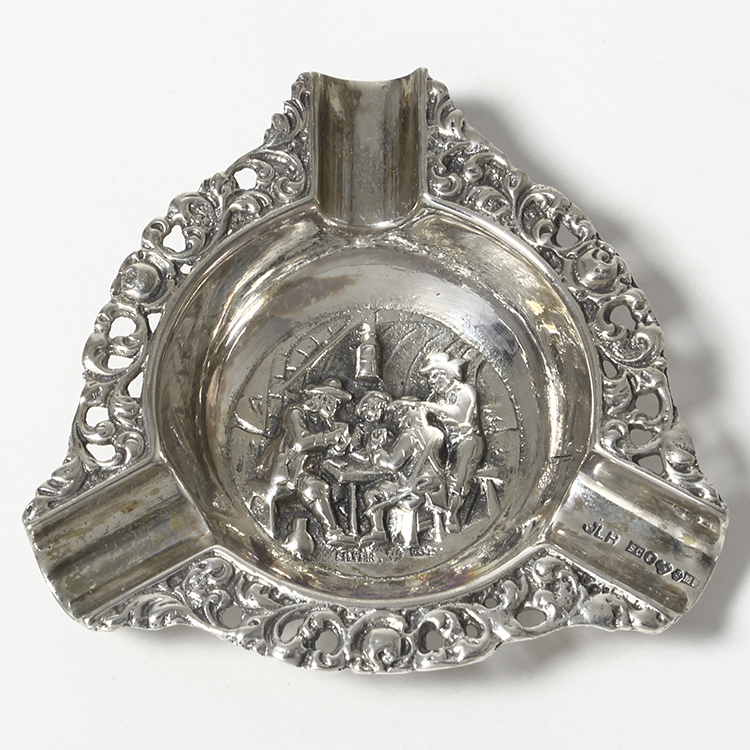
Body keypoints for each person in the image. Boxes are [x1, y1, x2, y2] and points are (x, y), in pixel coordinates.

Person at [260, 378, 356, 547]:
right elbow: (300, 443)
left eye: (337, 404)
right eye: (333, 402)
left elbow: (325, 451)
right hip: (286, 471)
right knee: (317, 488)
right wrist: (330, 437)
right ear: (321, 399)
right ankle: (332, 533)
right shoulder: (296, 412)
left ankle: (341, 530)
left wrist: (340, 445)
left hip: (307, 470)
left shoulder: (325, 422)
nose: (335, 407)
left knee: (337, 491)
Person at [361, 400, 446, 546]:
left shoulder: (409, 436)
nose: (399, 420)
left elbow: (392, 464)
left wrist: (375, 448)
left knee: (371, 494)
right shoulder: (437, 433)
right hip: (434, 483)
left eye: (401, 415)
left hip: (413, 487)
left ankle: (378, 532)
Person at [420, 352, 484, 533]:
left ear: (446, 374)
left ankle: (452, 514)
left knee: (457, 476)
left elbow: (460, 416)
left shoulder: (465, 391)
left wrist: (430, 407)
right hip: (448, 443)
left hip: (468, 441)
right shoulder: (437, 397)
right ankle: (433, 511)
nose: (430, 381)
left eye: (433, 376)